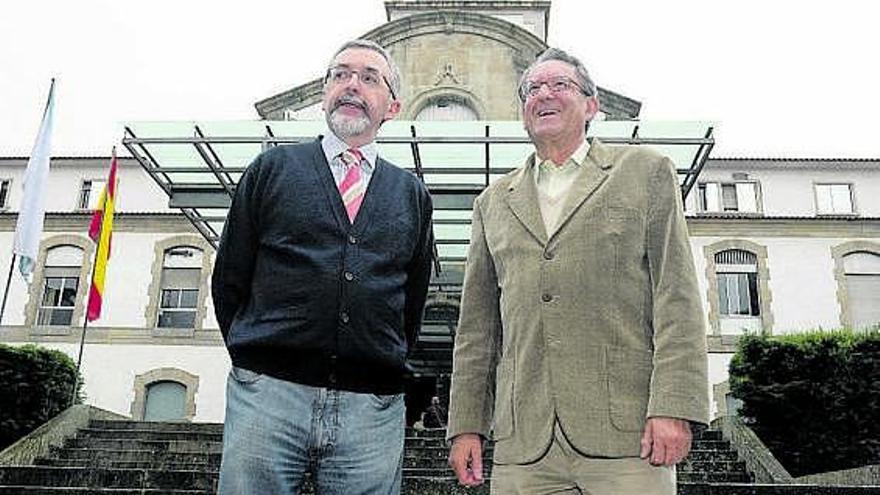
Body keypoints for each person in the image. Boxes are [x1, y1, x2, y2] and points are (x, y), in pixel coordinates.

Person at [446, 47, 709, 495]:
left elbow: (677, 298)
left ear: (591, 105)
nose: (543, 94)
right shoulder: (492, 202)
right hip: (523, 446)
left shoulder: (645, 172)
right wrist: (466, 425)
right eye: (532, 89)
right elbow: (477, 330)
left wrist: (673, 405)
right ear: (523, 112)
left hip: (628, 438)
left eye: (560, 85)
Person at [212, 39, 433, 495]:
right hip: (269, 395)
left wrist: (381, 358)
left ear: (392, 106)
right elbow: (230, 276)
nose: (352, 85)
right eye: (340, 75)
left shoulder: (411, 194)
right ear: (324, 92)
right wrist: (257, 357)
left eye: (369, 78)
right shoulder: (272, 168)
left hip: (370, 407)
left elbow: (411, 300)